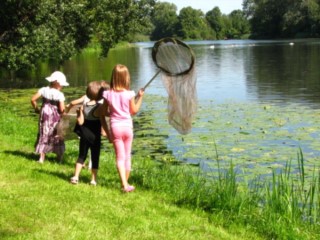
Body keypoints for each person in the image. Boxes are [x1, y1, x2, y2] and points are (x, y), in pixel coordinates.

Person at [101, 64, 144, 192]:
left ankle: (124, 185)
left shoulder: (107, 94)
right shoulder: (130, 94)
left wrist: (114, 111)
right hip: (127, 127)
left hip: (115, 127)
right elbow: (134, 110)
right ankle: (125, 184)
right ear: (126, 78)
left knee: (120, 157)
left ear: (113, 77)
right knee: (127, 156)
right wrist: (140, 97)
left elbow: (103, 111)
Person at [70, 81, 108, 185]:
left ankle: (76, 176)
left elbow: (81, 122)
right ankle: (93, 180)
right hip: (95, 137)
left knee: (81, 156)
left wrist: (79, 114)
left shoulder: (83, 106)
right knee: (95, 157)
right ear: (101, 95)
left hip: (84, 136)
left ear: (87, 93)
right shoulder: (99, 108)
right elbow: (104, 118)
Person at [31, 71, 69, 163]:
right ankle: (59, 158)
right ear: (57, 84)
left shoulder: (43, 90)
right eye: (62, 85)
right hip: (55, 117)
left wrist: (37, 109)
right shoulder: (59, 95)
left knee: (44, 133)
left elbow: (32, 99)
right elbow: (62, 109)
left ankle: (41, 158)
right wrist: (66, 113)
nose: (62, 87)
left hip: (44, 115)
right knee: (57, 133)